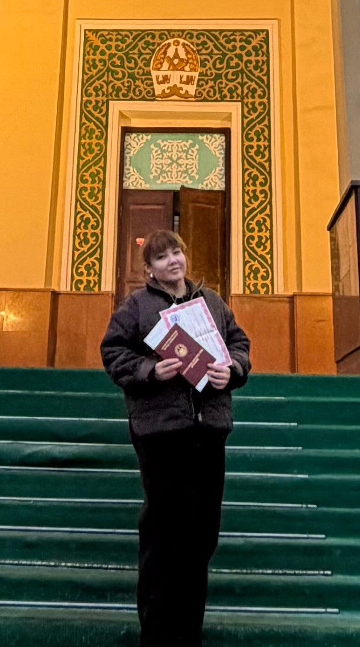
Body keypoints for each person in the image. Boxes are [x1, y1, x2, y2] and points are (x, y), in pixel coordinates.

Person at [100, 228, 251, 647]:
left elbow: (238, 342)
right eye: (162, 256)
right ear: (149, 268)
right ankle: (157, 634)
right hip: (162, 434)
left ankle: (188, 632)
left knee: (202, 534)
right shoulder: (136, 306)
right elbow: (113, 352)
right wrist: (151, 370)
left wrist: (232, 369)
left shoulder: (212, 301)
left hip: (208, 431)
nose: (173, 261)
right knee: (164, 534)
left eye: (177, 252)